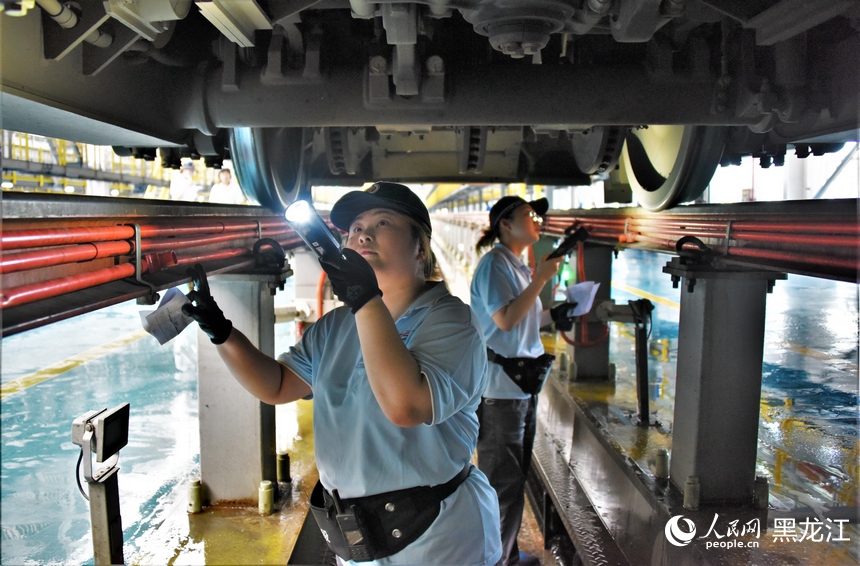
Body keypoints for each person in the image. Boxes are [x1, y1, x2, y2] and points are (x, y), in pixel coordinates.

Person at [183, 182, 502, 566]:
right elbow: (278, 385)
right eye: (355, 227)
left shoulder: (452, 321)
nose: (363, 232)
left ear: (421, 247)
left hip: (438, 538)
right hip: (359, 539)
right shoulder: (336, 326)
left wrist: (365, 298)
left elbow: (406, 406)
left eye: (383, 222)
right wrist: (222, 332)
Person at [469, 196, 576, 566]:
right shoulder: (496, 264)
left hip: (518, 388)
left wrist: (554, 314)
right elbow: (505, 321)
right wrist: (543, 277)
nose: (536, 220)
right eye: (528, 215)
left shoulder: (516, 267)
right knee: (502, 485)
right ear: (505, 225)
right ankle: (495, 561)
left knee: (512, 482)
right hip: (500, 392)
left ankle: (507, 556)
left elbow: (523, 322)